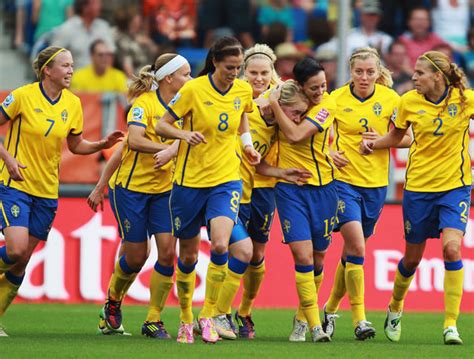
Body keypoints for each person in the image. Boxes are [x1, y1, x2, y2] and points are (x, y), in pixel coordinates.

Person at [0, 46, 123, 337]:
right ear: (47, 70)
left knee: (23, 259)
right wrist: (8, 159)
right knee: (15, 248)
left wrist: (101, 145)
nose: (70, 70)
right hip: (15, 183)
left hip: (46, 190)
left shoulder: (73, 103)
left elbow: (76, 145)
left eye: (72, 65)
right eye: (66, 66)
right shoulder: (22, 97)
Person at [360, 50, 472, 345]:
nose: (413, 77)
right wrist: (375, 145)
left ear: (437, 75)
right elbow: (397, 137)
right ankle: (395, 305)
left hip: (455, 187)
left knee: (451, 250)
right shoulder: (408, 101)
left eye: (419, 73)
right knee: (412, 259)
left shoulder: (464, 100)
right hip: (419, 189)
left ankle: (450, 325)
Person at [155, 36, 260, 344]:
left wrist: (249, 147)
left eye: (239, 67)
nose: (235, 73)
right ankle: (186, 317)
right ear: (215, 62)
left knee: (219, 246)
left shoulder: (242, 89)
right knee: (187, 257)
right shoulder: (193, 90)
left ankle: (208, 315)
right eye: (230, 67)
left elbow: (242, 122)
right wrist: (183, 134)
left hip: (226, 179)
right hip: (189, 183)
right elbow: (162, 125)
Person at [86, 53, 191, 338]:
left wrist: (176, 148)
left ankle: (153, 319)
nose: (190, 79)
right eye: (185, 74)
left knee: (168, 253)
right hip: (131, 191)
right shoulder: (143, 105)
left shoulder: (186, 107)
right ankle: (113, 299)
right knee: (137, 255)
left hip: (165, 192)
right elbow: (130, 142)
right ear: (168, 78)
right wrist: (101, 186)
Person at [322, 47, 411, 341]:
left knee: (352, 252)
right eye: (359, 72)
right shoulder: (334, 99)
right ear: (350, 71)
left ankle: (331, 308)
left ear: (377, 72)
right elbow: (317, 136)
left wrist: (382, 141)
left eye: (370, 72)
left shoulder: (390, 99)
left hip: (375, 186)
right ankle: (360, 319)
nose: (364, 77)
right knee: (358, 248)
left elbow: (407, 137)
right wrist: (330, 152)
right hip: (343, 182)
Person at [269, 57, 339, 343]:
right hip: (291, 192)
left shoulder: (326, 106)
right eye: (314, 88)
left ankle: (300, 316)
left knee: (319, 259)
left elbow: (296, 135)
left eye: (323, 85)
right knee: (303, 256)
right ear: (299, 85)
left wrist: (274, 105)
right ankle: (314, 327)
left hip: (324, 190)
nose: (320, 91)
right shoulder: (287, 106)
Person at [51, 0, 115, 70]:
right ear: (84, 7)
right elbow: (54, 58)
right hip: (75, 79)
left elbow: (110, 53)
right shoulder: (67, 29)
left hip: (102, 79)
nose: (100, 6)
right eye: (96, 3)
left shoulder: (103, 27)